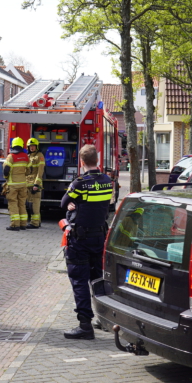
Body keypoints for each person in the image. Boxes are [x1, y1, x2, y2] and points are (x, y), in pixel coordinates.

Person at [61, 144, 113, 340]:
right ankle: (104, 319)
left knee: (79, 280)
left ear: (81, 162)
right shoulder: (108, 180)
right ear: (97, 160)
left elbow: (63, 203)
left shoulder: (79, 183)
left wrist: (75, 203)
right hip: (99, 237)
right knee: (98, 279)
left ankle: (85, 326)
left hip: (80, 240)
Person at [3, 137, 30, 231]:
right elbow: (29, 170)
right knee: (22, 204)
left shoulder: (11, 156)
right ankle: (23, 224)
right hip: (23, 184)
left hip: (13, 185)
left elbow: (6, 170)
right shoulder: (26, 156)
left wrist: (6, 178)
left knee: (13, 203)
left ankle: (15, 225)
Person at [25, 138, 45, 229]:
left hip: (35, 185)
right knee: (30, 204)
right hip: (28, 184)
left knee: (35, 204)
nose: (32, 148)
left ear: (36, 147)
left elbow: (40, 172)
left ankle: (35, 223)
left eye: (33, 146)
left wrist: (36, 184)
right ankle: (37, 222)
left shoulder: (39, 156)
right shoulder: (28, 156)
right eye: (30, 146)